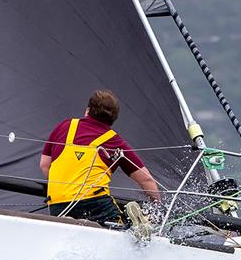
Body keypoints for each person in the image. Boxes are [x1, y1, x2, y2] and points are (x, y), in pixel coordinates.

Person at [39, 89, 161, 226]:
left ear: (88, 110)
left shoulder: (64, 126)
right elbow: (146, 179)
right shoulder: (114, 141)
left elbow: (44, 165)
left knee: (73, 224)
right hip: (95, 203)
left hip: (57, 203)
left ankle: (72, 220)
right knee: (124, 229)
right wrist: (157, 209)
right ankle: (135, 224)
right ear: (113, 119)